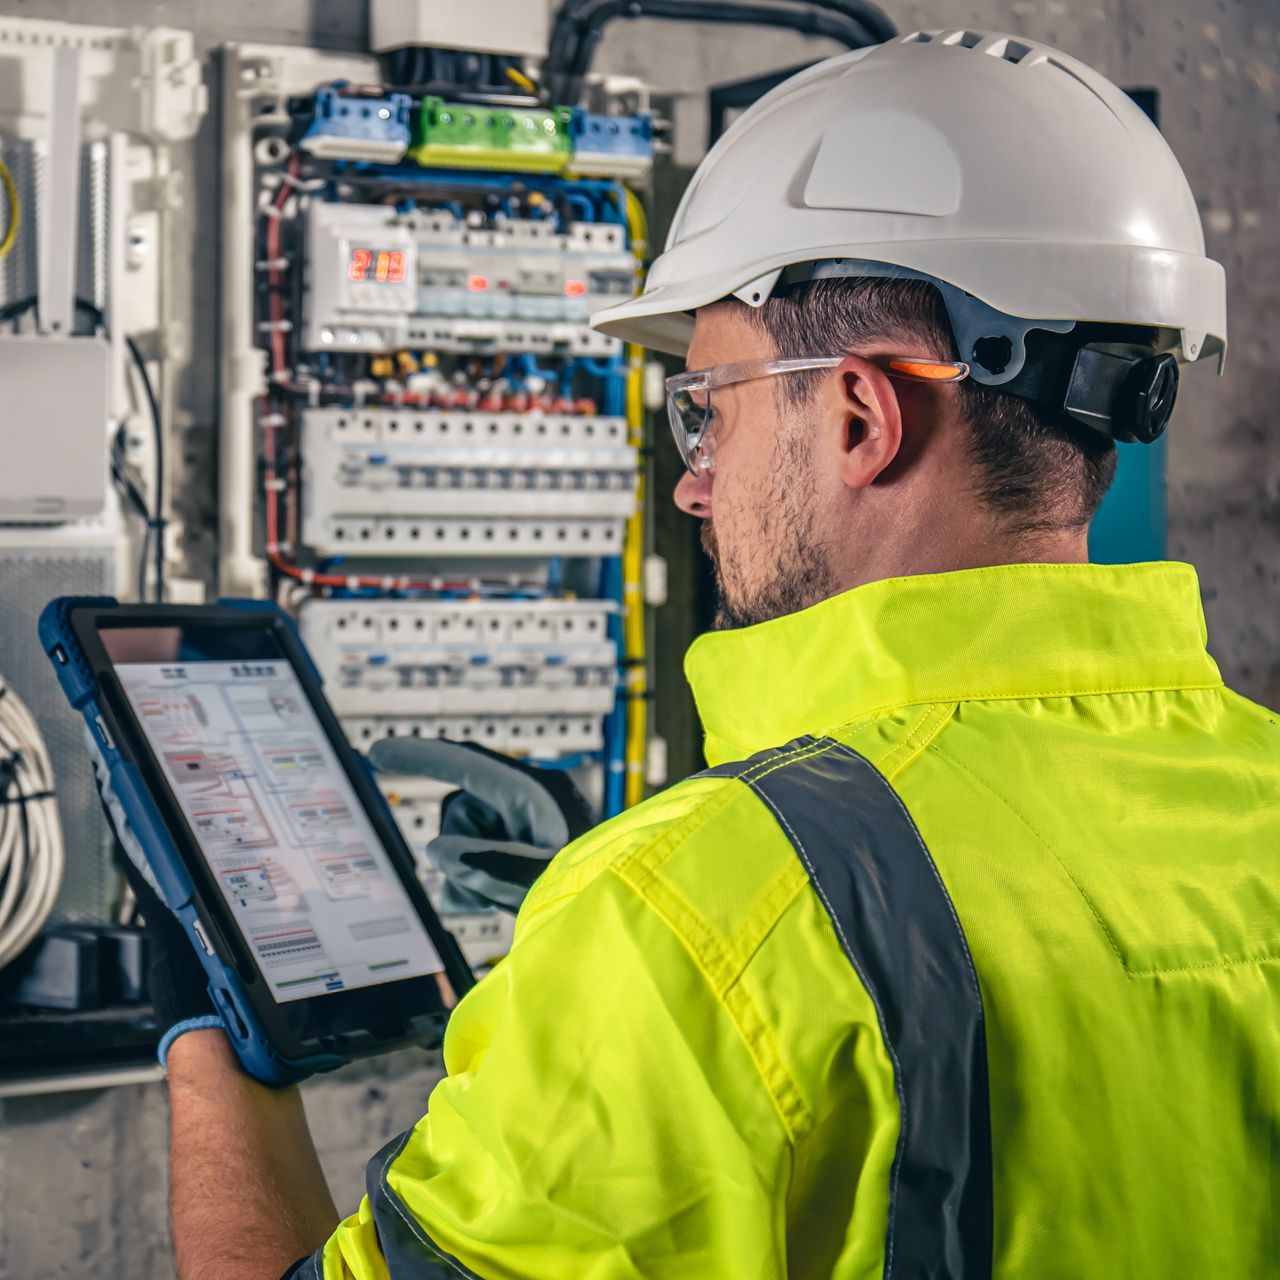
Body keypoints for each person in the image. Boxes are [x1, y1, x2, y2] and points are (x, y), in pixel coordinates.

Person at [150, 30, 1278, 1280]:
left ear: (859, 415)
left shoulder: (681, 919)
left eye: (709, 410)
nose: (693, 485)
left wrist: (205, 1021)